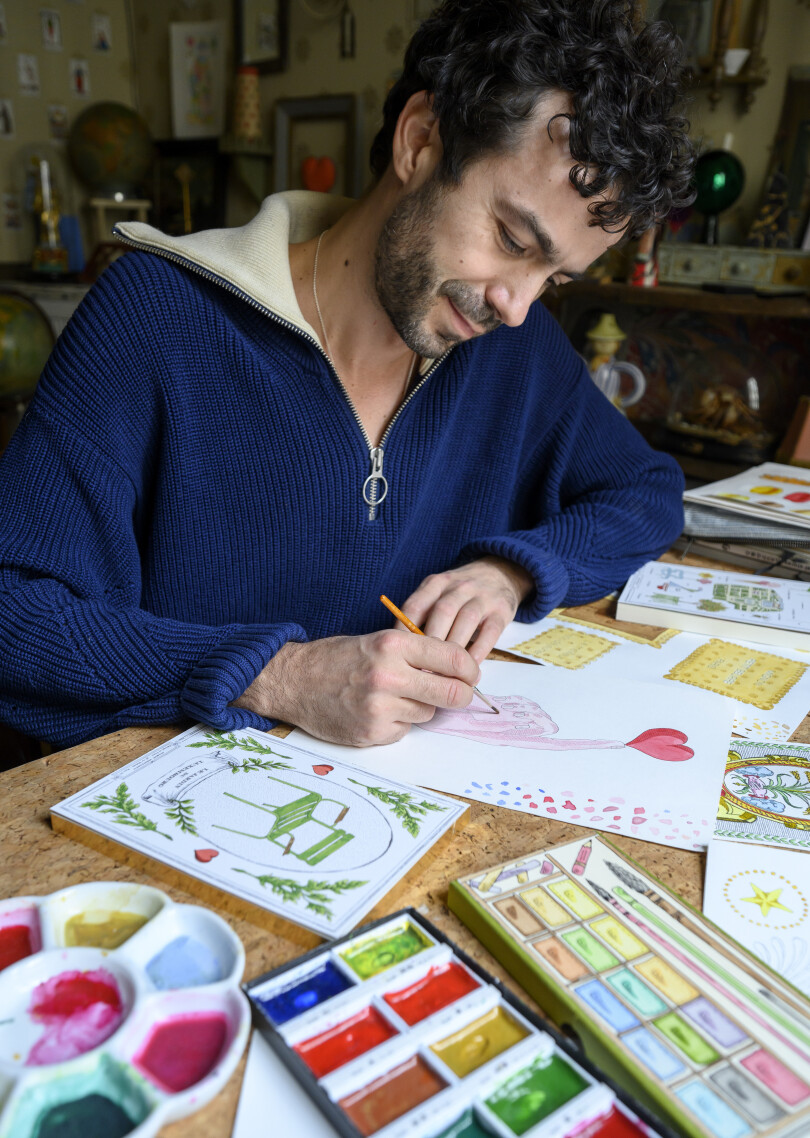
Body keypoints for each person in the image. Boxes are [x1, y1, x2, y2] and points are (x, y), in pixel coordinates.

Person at [0, 0, 694, 752]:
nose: (517, 305)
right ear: (420, 139)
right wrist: (278, 676)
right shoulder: (152, 316)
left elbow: (647, 492)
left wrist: (512, 571)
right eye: (511, 238)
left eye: (553, 278)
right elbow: (14, 609)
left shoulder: (514, 350)